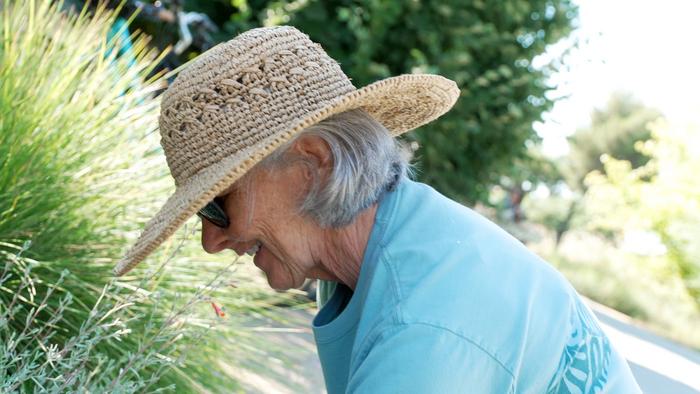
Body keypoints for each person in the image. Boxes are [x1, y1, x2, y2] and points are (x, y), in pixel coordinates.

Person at [114, 26, 641, 393]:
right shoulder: (409, 242)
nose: (212, 241)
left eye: (216, 204)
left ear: (313, 165)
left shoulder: (425, 324)